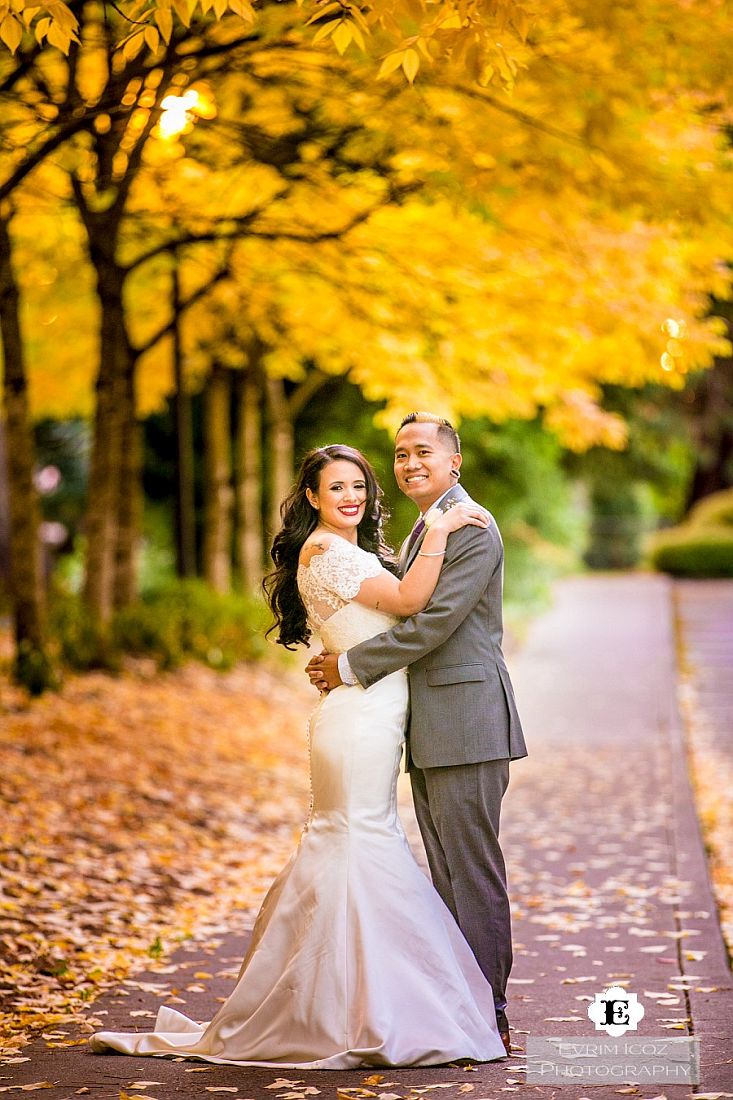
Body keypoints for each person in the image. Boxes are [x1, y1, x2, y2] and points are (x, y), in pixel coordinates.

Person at [90, 443, 507, 1068]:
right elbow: (410, 605)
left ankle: (366, 1002)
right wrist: (442, 526)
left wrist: (349, 660)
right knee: (359, 844)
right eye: (337, 488)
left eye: (359, 487)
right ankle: (359, 1007)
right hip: (359, 718)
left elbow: (418, 614)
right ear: (311, 497)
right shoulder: (327, 550)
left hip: (379, 712)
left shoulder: (362, 546)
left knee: (367, 847)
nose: (352, 498)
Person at [307, 414, 527, 1057]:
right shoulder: (428, 527)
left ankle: (491, 1011)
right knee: (446, 876)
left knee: (472, 870)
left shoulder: (472, 527)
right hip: (431, 724)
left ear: (453, 461)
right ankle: (462, 1005)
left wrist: (350, 665)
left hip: (468, 722)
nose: (408, 464)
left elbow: (432, 623)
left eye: (422, 452)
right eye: (400, 455)